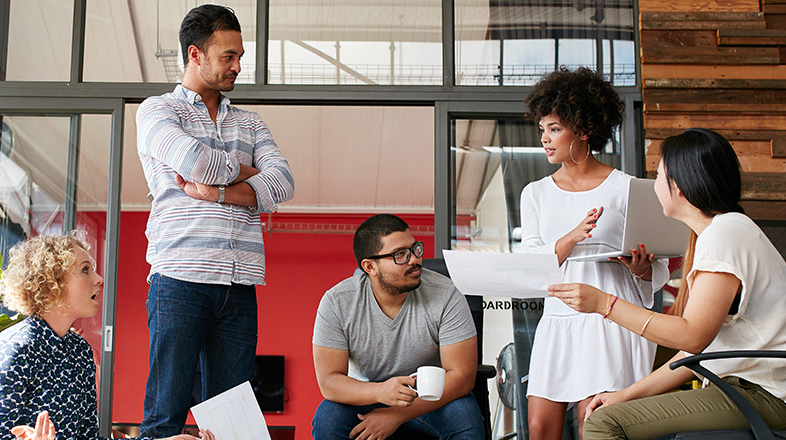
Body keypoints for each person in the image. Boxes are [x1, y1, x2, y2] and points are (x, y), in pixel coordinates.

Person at [549, 128, 786, 439]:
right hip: (751, 388)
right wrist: (626, 394)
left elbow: (693, 337)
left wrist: (603, 304)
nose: (655, 184)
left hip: (763, 395)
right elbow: (698, 350)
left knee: (602, 424)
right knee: (613, 414)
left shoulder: (724, 234)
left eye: (658, 174)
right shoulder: (726, 231)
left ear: (679, 185)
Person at [134, 4, 294, 438]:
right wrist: (246, 170)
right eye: (228, 56)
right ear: (195, 54)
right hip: (179, 278)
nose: (238, 66)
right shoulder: (156, 111)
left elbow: (283, 184)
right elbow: (194, 160)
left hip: (239, 285)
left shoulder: (250, 122)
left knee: (234, 427)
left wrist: (217, 191)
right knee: (164, 419)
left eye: (239, 56)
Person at [519, 67, 670, 439]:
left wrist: (641, 268)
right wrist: (571, 237)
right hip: (558, 320)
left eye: (554, 128)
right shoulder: (535, 194)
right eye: (542, 129)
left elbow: (658, 265)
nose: (545, 139)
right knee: (539, 428)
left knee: (596, 425)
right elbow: (530, 268)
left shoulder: (628, 189)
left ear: (583, 130)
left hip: (610, 321)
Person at [0, 234, 210, 440]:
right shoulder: (12, 351)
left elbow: (88, 437)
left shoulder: (80, 351)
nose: (99, 279)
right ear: (52, 283)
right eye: (85, 269)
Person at [311, 214, 484, 440]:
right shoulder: (337, 302)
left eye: (414, 249)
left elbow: (462, 376)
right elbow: (329, 382)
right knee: (328, 419)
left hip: (430, 397)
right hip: (367, 395)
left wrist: (395, 415)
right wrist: (380, 392)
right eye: (399, 254)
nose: (414, 259)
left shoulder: (446, 294)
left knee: (464, 418)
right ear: (370, 266)